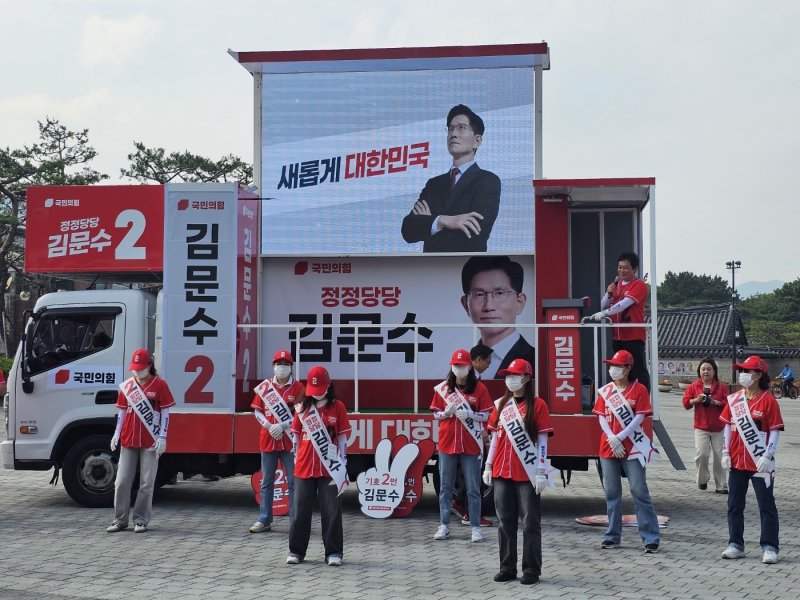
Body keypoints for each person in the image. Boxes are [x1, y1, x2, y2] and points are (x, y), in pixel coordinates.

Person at [482, 359, 554, 585]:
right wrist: (488, 465)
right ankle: (507, 567)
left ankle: (531, 569)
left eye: (514, 375)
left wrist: (540, 470)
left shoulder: (538, 405)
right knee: (505, 521)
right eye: (508, 375)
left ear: (526, 378)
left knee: (530, 522)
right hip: (502, 470)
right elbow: (494, 439)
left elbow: (542, 441)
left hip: (527, 472)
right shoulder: (501, 404)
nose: (509, 379)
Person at [401, 104, 501, 253]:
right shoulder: (434, 184)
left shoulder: (487, 181)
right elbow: (408, 230)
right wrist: (446, 221)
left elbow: (474, 236)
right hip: (430, 266)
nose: (453, 134)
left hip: (466, 264)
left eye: (461, 127)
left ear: (477, 140)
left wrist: (430, 223)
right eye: (451, 128)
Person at [592, 350, 660, 553]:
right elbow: (601, 416)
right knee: (612, 493)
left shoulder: (639, 389)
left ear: (628, 368)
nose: (613, 369)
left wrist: (620, 437)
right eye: (612, 366)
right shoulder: (606, 391)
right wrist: (612, 439)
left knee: (639, 490)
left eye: (618, 366)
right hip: (608, 447)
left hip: (633, 448)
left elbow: (639, 417)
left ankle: (650, 537)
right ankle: (612, 536)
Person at [719, 355, 784, 564]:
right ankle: (735, 544)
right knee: (734, 504)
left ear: (758, 375)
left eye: (746, 371)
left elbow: (775, 431)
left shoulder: (769, 400)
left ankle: (770, 546)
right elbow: (727, 426)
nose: (742, 375)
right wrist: (725, 452)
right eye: (742, 371)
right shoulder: (735, 399)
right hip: (737, 461)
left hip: (760, 462)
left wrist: (768, 454)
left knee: (766, 504)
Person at [106, 348, 175, 533]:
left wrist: (163, 436)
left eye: (141, 368)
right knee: (121, 481)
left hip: (150, 440)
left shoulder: (160, 385)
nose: (137, 372)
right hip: (128, 438)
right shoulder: (128, 386)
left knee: (146, 482)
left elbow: (166, 413)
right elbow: (121, 412)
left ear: (149, 366)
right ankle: (120, 519)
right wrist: (116, 434)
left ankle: (141, 519)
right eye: (135, 369)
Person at [287, 365, 351, 566]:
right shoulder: (302, 407)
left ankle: (334, 552)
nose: (316, 394)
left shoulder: (338, 407)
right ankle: (296, 551)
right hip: (304, 466)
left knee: (332, 510)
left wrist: (343, 459)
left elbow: (343, 436)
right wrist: (296, 455)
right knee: (300, 511)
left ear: (329, 385)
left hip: (329, 467)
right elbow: (296, 435)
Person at [430, 349, 492, 543]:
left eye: (462, 365)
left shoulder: (479, 388)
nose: (459, 369)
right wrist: (446, 413)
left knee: (473, 488)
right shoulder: (444, 389)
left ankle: (475, 527)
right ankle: (444, 525)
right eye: (456, 365)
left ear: (469, 367)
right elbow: (435, 414)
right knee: (445, 487)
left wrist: (470, 414)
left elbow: (487, 415)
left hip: (471, 444)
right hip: (447, 443)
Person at [249, 350, 304, 533]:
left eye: (286, 364)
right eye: (279, 364)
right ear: (273, 366)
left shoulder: (298, 387)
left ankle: (296, 520)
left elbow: (302, 414)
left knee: (293, 481)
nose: (282, 367)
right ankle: (264, 519)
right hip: (268, 439)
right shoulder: (265, 387)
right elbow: (257, 411)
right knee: (266, 481)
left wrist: (282, 425)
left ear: (291, 367)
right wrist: (268, 425)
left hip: (289, 441)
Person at [460, 256, 535, 379]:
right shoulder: (462, 364)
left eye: (500, 293)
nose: (489, 306)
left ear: (519, 302)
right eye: (479, 294)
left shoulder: (537, 361)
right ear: (466, 304)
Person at [449, 342, 496, 527]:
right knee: (474, 476)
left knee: (470, 475)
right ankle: (470, 514)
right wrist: (483, 429)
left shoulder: (476, 382)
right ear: (477, 360)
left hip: (469, 435)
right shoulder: (467, 383)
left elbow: (481, 410)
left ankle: (460, 503)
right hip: (469, 436)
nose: (488, 366)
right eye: (487, 362)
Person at [590, 251, 651, 391]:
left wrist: (604, 313)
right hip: (617, 336)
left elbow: (623, 304)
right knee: (621, 370)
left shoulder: (639, 285)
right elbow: (603, 305)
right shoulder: (616, 284)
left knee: (638, 370)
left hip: (634, 336)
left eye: (626, 267)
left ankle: (644, 399)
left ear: (634, 269)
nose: (622, 270)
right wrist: (608, 293)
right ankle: (626, 397)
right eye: (620, 267)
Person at [682, 358, 730, 494]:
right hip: (701, 427)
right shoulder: (694, 386)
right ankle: (702, 480)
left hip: (719, 427)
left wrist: (715, 402)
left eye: (709, 369)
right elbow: (685, 403)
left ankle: (721, 485)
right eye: (703, 369)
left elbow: (728, 404)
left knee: (719, 456)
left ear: (714, 371)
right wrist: (696, 400)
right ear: (699, 371)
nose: (706, 371)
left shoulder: (722, 387)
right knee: (702, 454)